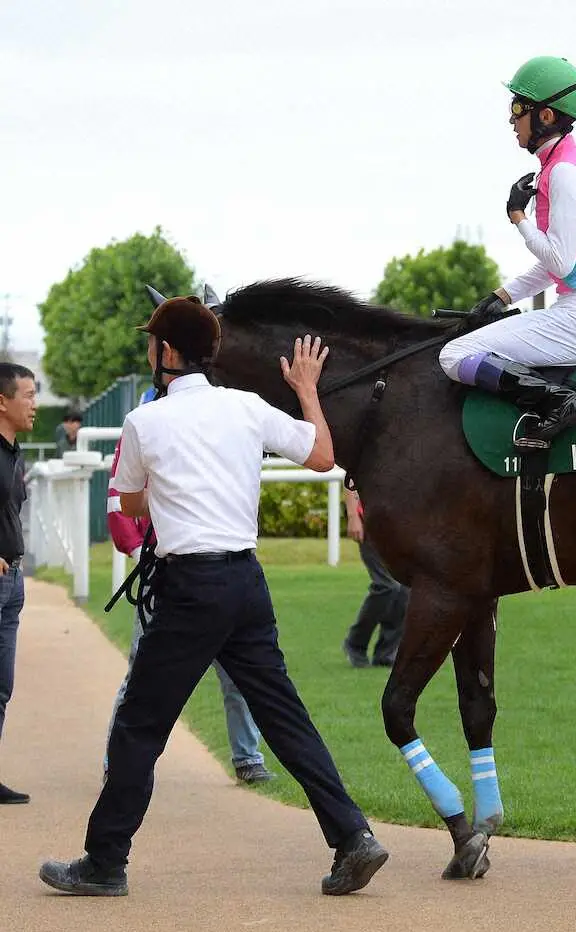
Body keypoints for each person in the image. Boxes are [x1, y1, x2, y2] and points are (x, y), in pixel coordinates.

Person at [39, 295, 387, 896]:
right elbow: (324, 456)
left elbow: (129, 500)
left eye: (152, 344)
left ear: (167, 352)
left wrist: (170, 492)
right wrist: (306, 388)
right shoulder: (248, 408)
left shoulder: (146, 422)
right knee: (284, 716)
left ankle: (104, 863)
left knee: (139, 726)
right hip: (246, 583)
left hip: (190, 587)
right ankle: (353, 837)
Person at [438, 55, 576, 447]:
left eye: (517, 108)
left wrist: (517, 217)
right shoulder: (562, 164)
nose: (511, 119)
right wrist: (500, 297)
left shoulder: (565, 173)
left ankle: (559, 402)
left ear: (545, 116)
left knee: (453, 356)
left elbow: (560, 260)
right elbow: (558, 263)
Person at [103, 386, 275, 784]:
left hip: (219, 569)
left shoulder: (212, 415)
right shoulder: (146, 418)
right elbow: (119, 503)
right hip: (163, 571)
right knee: (140, 674)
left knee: (239, 674)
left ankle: (248, 757)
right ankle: (118, 760)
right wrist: (133, 550)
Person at [0, 363, 36, 805]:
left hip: (13, 583)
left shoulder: (16, 452)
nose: (34, 404)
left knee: (1, 688)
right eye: (27, 395)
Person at [341, 485, 408, 669]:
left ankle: (386, 653)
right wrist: (353, 516)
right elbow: (350, 479)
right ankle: (355, 643)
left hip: (397, 526)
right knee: (387, 586)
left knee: (405, 590)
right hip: (369, 522)